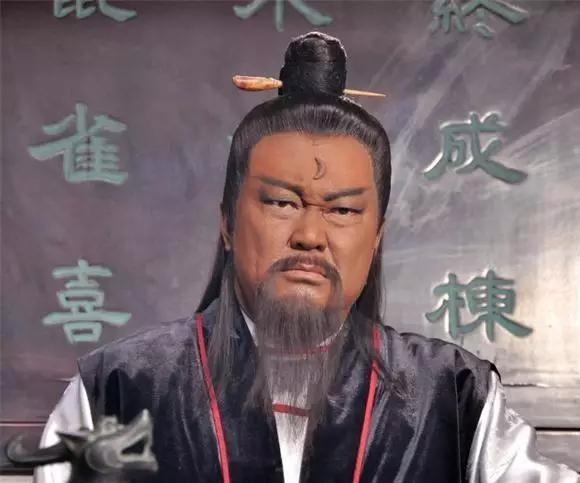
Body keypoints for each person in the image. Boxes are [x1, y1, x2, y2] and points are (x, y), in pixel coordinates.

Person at [35, 32, 578, 483]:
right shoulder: (118, 389)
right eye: (281, 203)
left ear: (376, 237)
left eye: (342, 210)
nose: (310, 235)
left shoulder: (453, 396)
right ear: (227, 222)